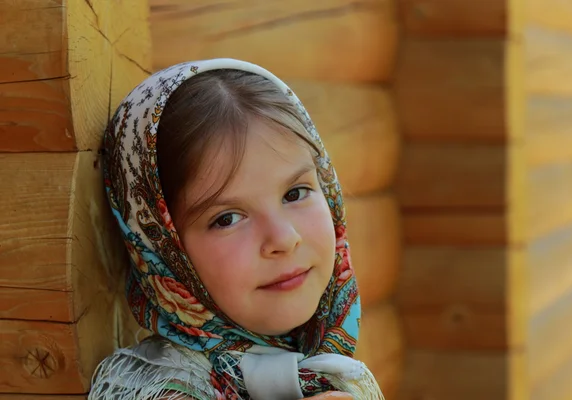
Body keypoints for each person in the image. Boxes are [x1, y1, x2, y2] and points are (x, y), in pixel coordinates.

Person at [89, 58, 383, 399]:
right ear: (162, 250)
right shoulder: (155, 391)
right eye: (226, 218)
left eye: (295, 193)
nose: (284, 239)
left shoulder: (329, 371)